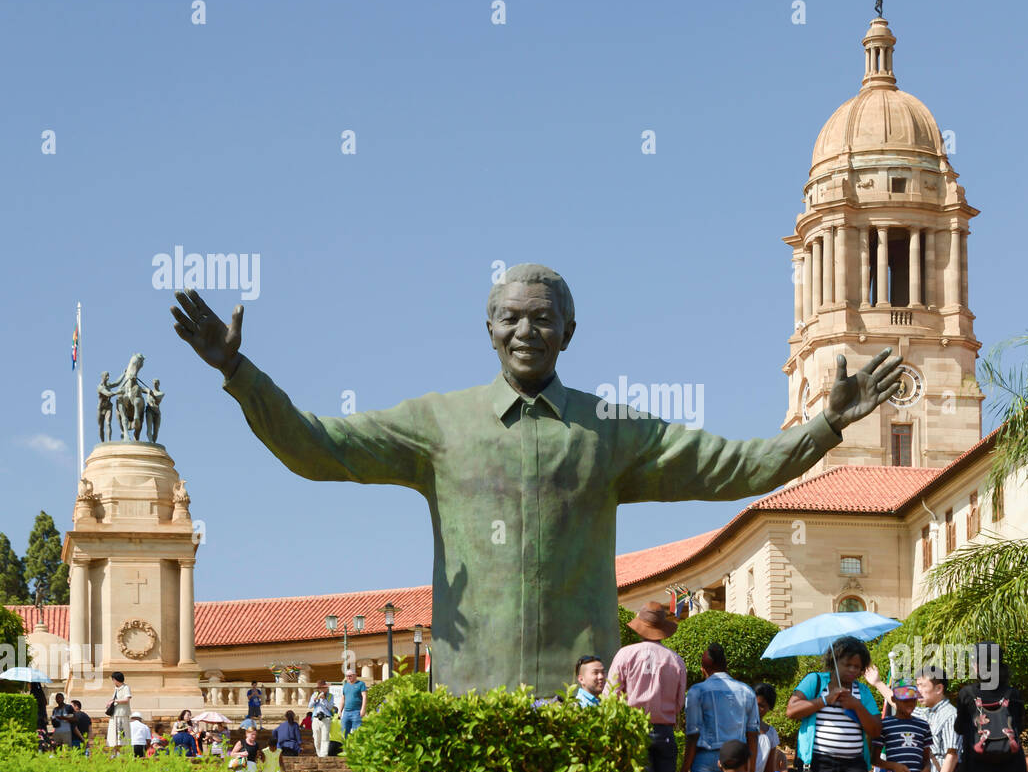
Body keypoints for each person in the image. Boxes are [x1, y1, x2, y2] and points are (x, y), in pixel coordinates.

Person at [170, 268, 904, 696]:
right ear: (489, 329)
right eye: (511, 318)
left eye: (543, 319)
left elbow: (733, 465)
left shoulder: (609, 428)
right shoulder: (439, 424)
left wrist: (823, 427)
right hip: (467, 701)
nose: (527, 331)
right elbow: (314, 446)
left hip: (578, 702)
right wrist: (238, 372)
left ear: (569, 331)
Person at [784, 635, 884, 772]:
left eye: (858, 667)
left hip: (853, 766)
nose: (854, 670)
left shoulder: (862, 691)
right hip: (819, 765)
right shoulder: (815, 681)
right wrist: (825, 700)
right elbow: (792, 710)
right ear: (834, 662)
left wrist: (856, 706)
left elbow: (875, 730)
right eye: (848, 665)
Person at [604, 602, 687, 772]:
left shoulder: (625, 654)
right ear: (662, 628)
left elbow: (611, 696)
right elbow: (680, 702)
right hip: (666, 733)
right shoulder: (676, 660)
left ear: (640, 627)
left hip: (634, 731)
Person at [955, 643, 1028, 772]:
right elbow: (1020, 725)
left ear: (979, 665)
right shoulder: (1013, 694)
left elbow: (960, 728)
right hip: (1012, 771)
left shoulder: (967, 694)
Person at [680, 644, 759, 772]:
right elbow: (752, 735)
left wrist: (684, 770)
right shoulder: (746, 691)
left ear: (703, 669)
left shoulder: (697, 691)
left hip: (705, 760)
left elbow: (692, 735)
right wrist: (751, 770)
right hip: (737, 758)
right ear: (726, 665)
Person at [915, 666, 962, 772]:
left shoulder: (950, 715)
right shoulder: (922, 711)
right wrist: (877, 683)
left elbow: (952, 755)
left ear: (939, 688)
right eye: (916, 685)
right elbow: (894, 701)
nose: (917, 691)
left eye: (922, 685)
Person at [752, 683, 779, 772]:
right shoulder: (737, 728)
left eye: (761, 706)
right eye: (754, 704)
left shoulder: (770, 734)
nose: (756, 709)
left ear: (770, 708)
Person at [106, 673, 132, 757]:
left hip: (122, 714)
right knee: (113, 735)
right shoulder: (116, 689)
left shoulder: (125, 687)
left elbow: (126, 700)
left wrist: (115, 701)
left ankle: (122, 753)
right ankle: (115, 753)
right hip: (115, 714)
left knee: (121, 735)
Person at [308, 680, 335, 755]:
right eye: (320, 688)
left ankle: (323, 756)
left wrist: (324, 699)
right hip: (316, 718)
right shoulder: (314, 695)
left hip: (326, 718)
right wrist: (315, 699)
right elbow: (309, 706)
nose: (322, 690)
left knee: (325, 738)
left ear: (326, 688)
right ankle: (319, 754)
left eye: (323, 688)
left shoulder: (330, 696)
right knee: (316, 738)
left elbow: (330, 707)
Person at [340, 670, 367, 737]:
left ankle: (356, 747)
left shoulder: (361, 684)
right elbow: (343, 698)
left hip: (357, 712)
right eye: (347, 676)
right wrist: (340, 711)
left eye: (350, 676)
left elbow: (364, 696)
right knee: (344, 732)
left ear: (355, 675)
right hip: (346, 712)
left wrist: (363, 709)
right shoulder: (346, 685)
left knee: (357, 733)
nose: (348, 677)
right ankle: (346, 747)